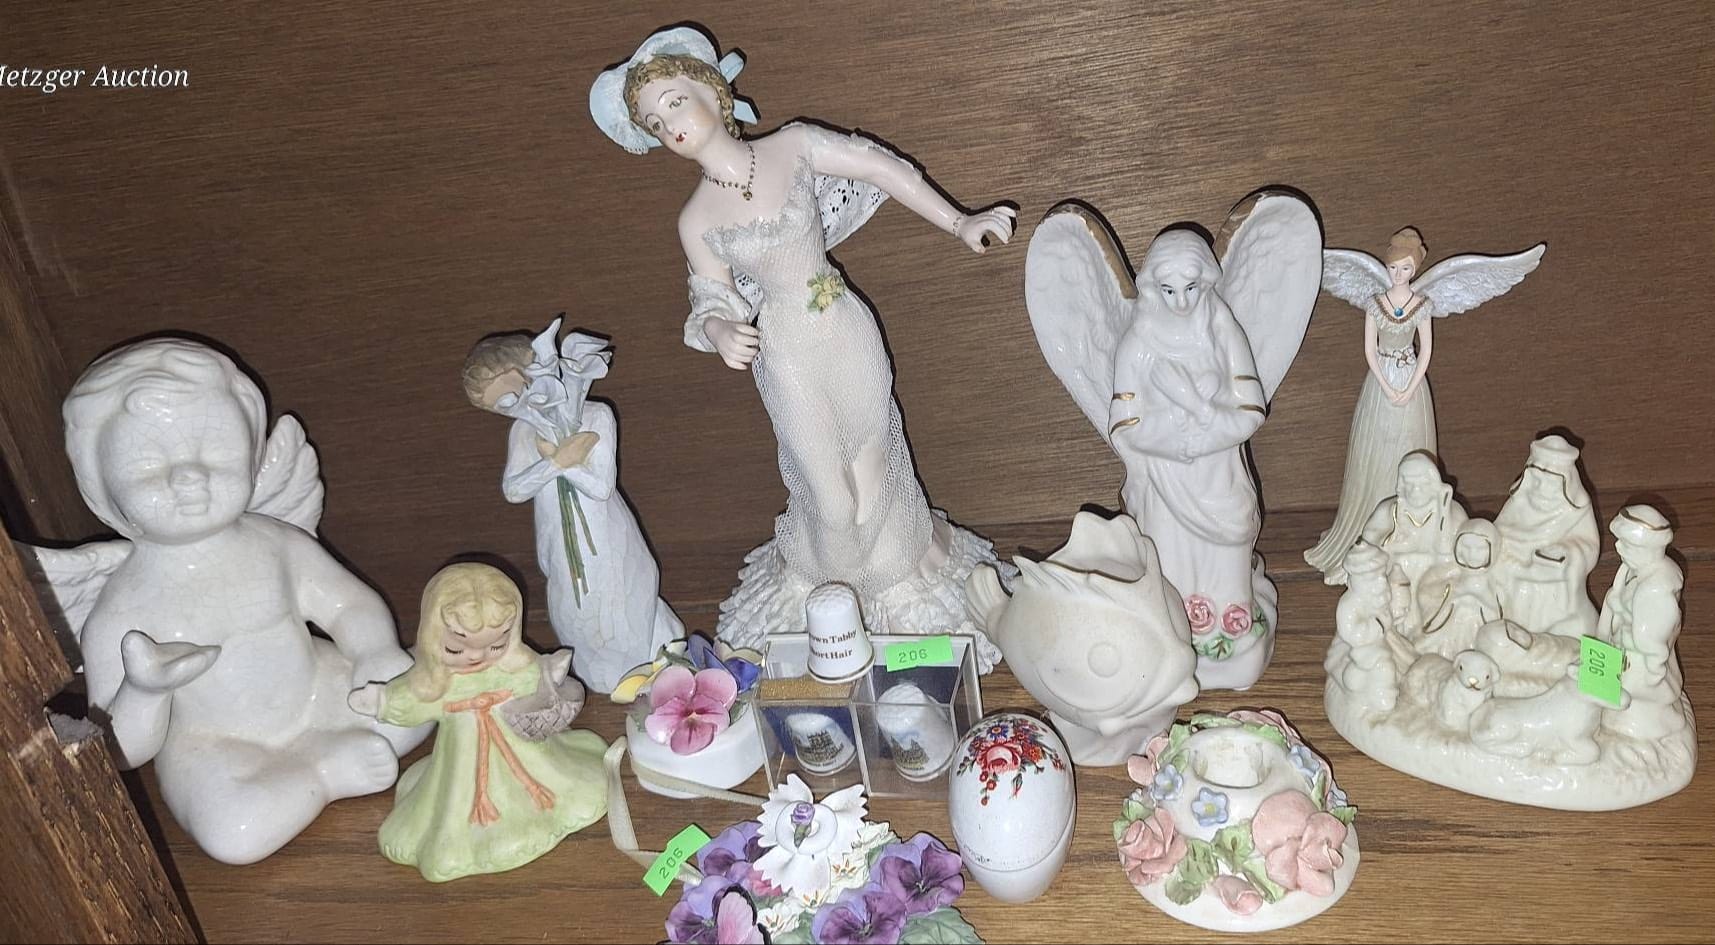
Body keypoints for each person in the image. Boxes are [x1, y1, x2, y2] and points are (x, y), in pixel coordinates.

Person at [590, 26, 1015, 664]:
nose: (670, 125)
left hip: (843, 329)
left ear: (711, 92)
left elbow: (883, 168)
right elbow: (710, 297)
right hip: (783, 352)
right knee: (830, 497)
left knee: (874, 472)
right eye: (654, 122)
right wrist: (719, 329)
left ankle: (903, 626)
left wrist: (961, 221)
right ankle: (836, 620)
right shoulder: (696, 219)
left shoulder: (792, 145)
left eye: (675, 103)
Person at [349, 563, 607, 882]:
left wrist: (547, 674)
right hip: (462, 761)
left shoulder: (508, 668)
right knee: (458, 802)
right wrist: (382, 701)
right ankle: (462, 839)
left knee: (557, 782)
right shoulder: (439, 684)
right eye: (456, 648)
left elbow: (531, 676)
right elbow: (414, 698)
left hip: (523, 750)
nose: (476, 657)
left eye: (496, 645)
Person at [1492, 435, 1599, 636]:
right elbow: (1498, 534)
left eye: (1551, 484)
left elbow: (1589, 546)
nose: (1542, 490)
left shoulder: (1575, 510)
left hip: (1552, 581)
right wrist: (1506, 555)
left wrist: (1567, 551)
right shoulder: (1520, 502)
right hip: (1513, 575)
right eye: (1538, 481)